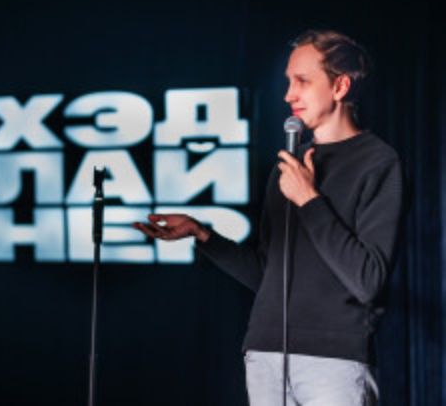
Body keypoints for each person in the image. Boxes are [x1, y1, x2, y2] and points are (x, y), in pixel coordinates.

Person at [134, 29, 404, 406]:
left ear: (340, 86)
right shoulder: (287, 168)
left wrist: (309, 199)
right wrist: (202, 235)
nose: (288, 95)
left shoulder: (377, 162)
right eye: (288, 82)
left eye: (302, 81)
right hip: (265, 355)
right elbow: (268, 274)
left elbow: (368, 280)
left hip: (334, 362)